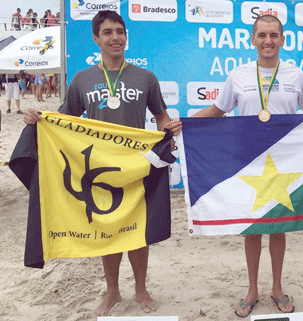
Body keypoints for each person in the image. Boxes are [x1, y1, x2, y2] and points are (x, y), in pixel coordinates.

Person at [23, 10, 182, 317]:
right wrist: (37, 120)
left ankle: (140, 289)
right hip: (97, 169)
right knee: (108, 231)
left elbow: (161, 117)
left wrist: (168, 134)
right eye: (107, 32)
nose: (115, 37)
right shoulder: (83, 79)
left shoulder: (145, 77)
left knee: (137, 230)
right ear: (95, 38)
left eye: (120, 31)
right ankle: (112, 292)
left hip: (136, 167)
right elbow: (63, 119)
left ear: (126, 36)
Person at [193, 14, 303, 318]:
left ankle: (277, 288)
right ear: (252, 40)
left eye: (274, 35)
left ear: (283, 40)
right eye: (262, 35)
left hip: (284, 162)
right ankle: (252, 290)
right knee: (252, 228)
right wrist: (188, 124)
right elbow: (218, 110)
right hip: (248, 163)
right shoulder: (238, 76)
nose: (268, 41)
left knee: (279, 227)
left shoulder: (296, 75)